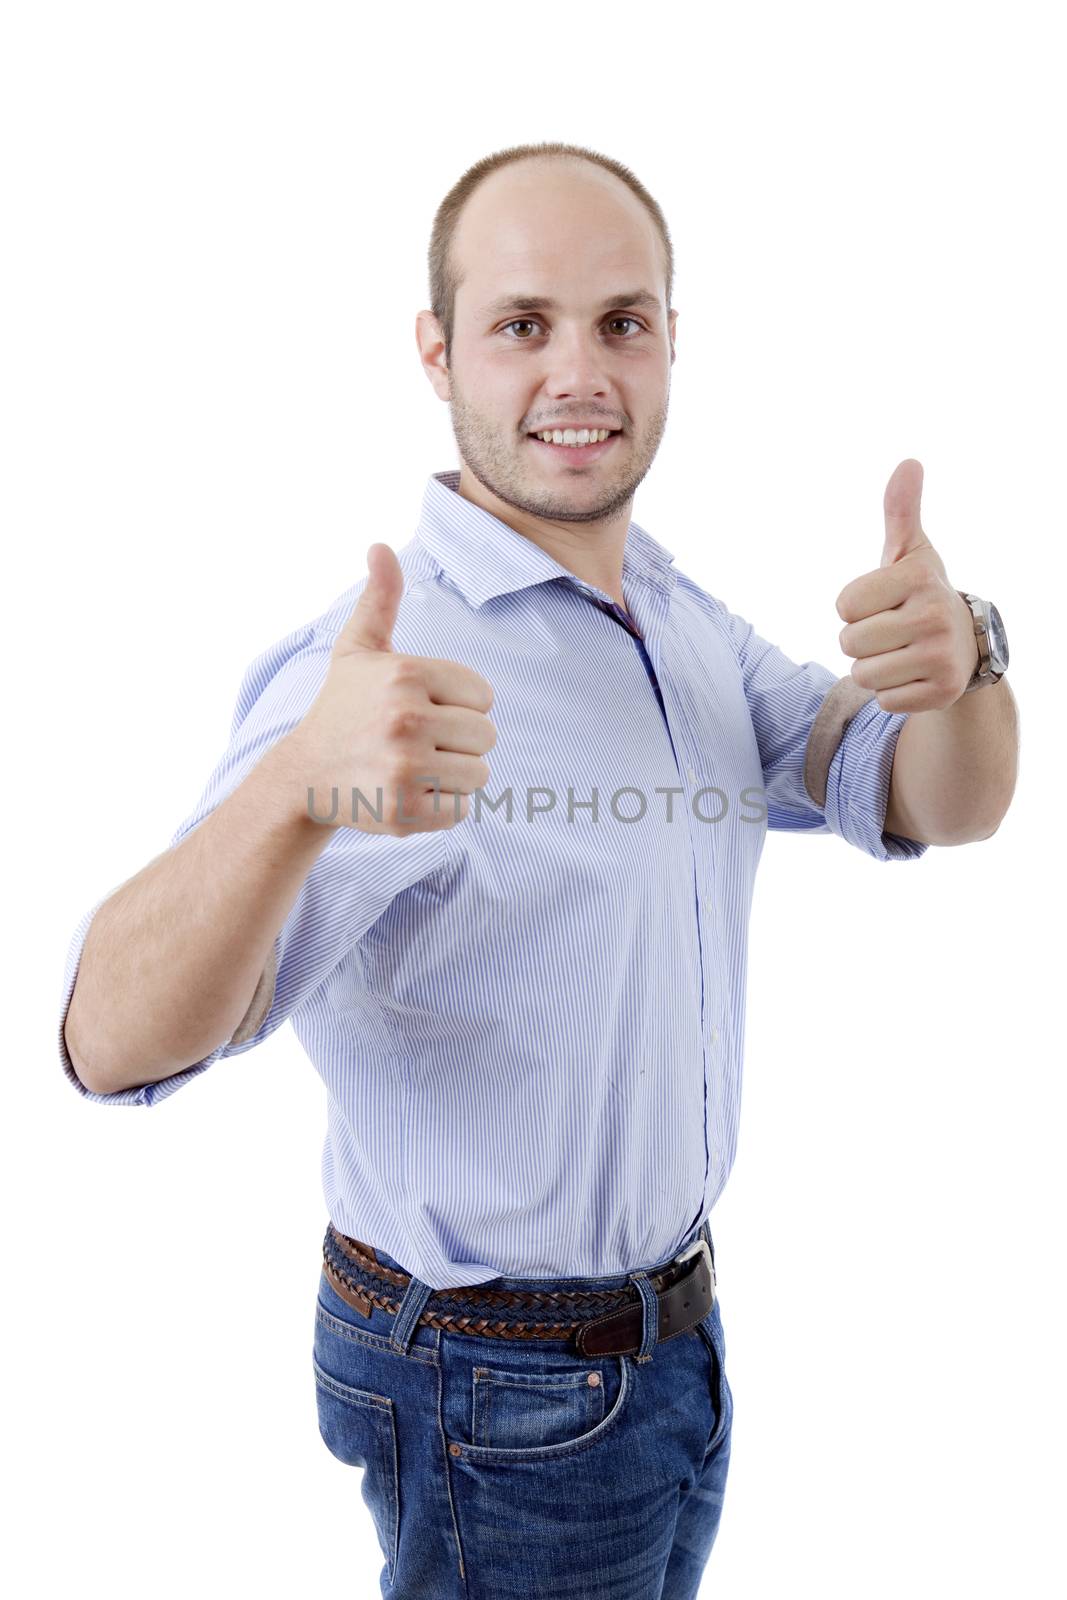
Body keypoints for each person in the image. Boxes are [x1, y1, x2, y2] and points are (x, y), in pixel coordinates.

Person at [57, 140, 1014, 1598]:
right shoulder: (379, 668)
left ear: (674, 344)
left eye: (621, 322)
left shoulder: (672, 619)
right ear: (437, 353)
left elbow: (937, 799)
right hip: (497, 1386)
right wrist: (293, 793)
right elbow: (105, 1042)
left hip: (662, 1359)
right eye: (523, 325)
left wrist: (965, 667)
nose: (579, 372)